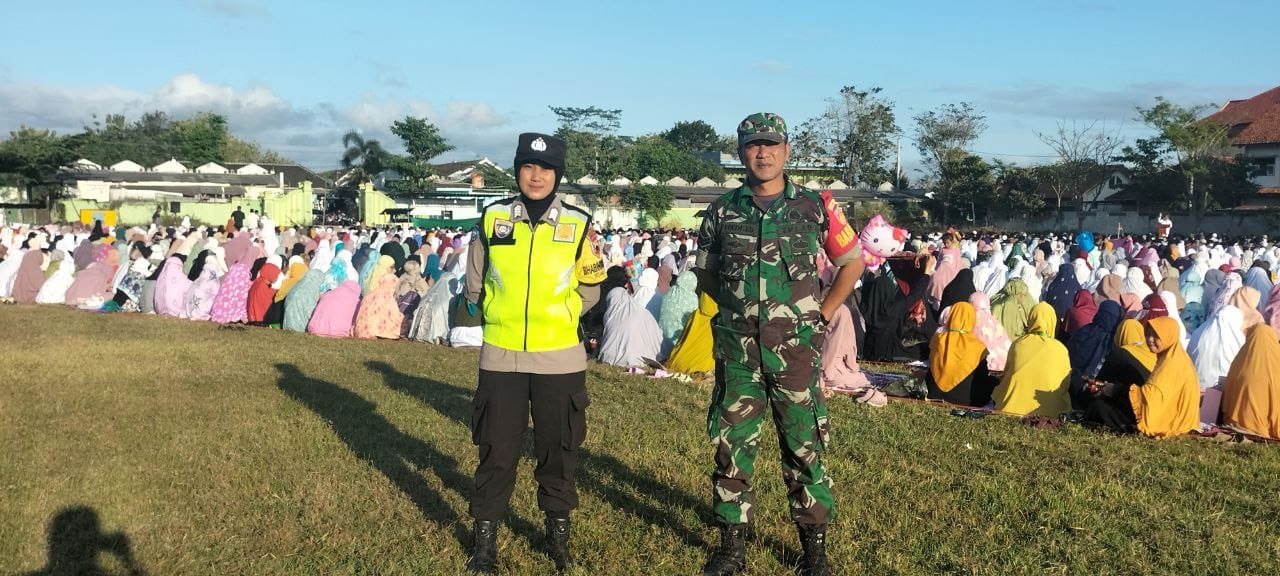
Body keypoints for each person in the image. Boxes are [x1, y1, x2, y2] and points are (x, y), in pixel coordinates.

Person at [694, 112, 862, 576]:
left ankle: (814, 551)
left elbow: (852, 262)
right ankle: (731, 547)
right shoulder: (724, 209)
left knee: (803, 444)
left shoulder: (815, 206)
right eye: (752, 145)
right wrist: (735, 308)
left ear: (787, 151)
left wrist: (822, 314)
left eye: (771, 144)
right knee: (732, 445)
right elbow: (706, 269)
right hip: (739, 351)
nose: (762, 153)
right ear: (742, 153)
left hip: (796, 351)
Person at [461, 133, 606, 574]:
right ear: (517, 170)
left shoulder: (579, 224)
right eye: (527, 166)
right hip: (501, 356)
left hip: (559, 357)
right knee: (496, 450)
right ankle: (485, 544)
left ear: (557, 175)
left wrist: (558, 318)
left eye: (545, 169)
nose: (536, 175)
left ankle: (557, 538)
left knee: (558, 449)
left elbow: (592, 289)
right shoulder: (492, 219)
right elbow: (474, 283)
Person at [991, 302, 1071, 416]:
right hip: (1052, 412)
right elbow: (1065, 383)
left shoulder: (1018, 343)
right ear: (1053, 322)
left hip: (1011, 409)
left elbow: (1007, 375)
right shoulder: (1060, 349)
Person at [1131, 316, 1200, 439]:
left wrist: (1117, 391)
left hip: (1175, 424)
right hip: (1173, 417)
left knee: (1104, 409)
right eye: (1147, 335)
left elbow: (1151, 397)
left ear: (1169, 336)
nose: (1150, 340)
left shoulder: (1174, 362)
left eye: (1156, 336)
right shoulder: (1169, 356)